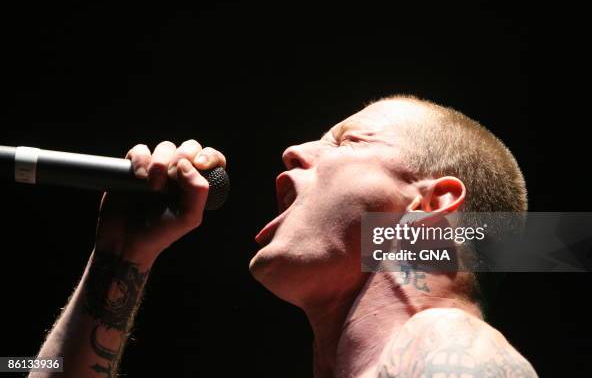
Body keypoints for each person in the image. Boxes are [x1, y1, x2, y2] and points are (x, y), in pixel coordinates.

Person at [31, 95, 537, 378]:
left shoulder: (448, 346)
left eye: (347, 141)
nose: (293, 152)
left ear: (429, 205)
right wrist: (122, 255)